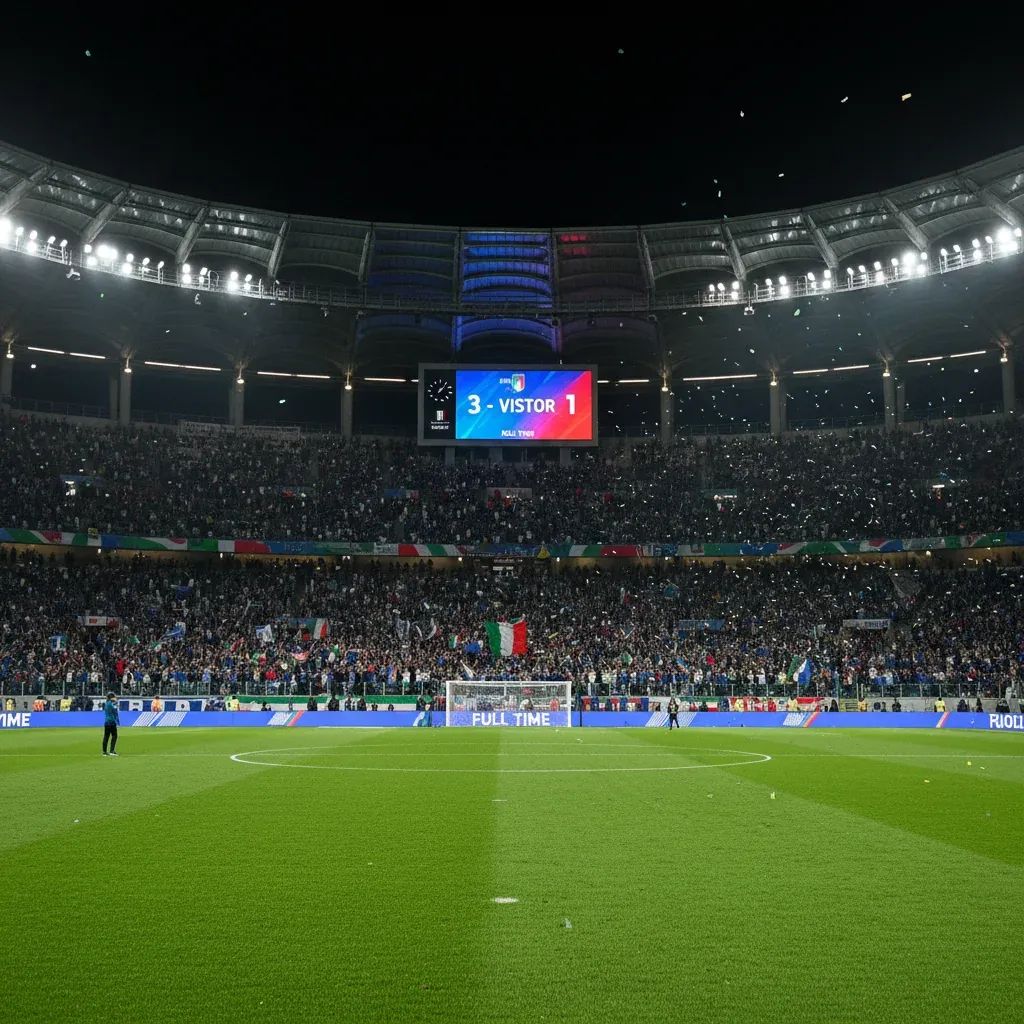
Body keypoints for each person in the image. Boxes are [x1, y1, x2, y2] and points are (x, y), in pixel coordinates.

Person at [102, 692, 119, 757]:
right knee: (114, 735)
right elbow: (115, 711)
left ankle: (104, 752)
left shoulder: (106, 703)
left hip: (106, 722)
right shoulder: (111, 704)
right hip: (111, 721)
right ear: (112, 697)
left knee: (106, 736)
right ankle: (112, 751)